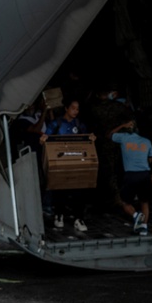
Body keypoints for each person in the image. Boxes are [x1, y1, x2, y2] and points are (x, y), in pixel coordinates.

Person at [40, 97, 94, 232]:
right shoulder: (56, 123)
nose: (75, 111)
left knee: (79, 189)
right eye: (73, 108)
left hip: (76, 161)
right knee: (60, 189)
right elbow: (44, 139)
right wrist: (44, 138)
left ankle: (78, 219)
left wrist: (91, 137)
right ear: (66, 108)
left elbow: (86, 138)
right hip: (61, 161)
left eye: (77, 109)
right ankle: (59, 216)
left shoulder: (79, 124)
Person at [110, 119, 152, 236]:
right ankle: (144, 227)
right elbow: (150, 159)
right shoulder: (147, 142)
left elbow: (109, 135)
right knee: (145, 202)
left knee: (125, 202)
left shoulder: (124, 138)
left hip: (130, 175)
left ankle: (135, 215)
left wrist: (122, 124)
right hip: (144, 174)